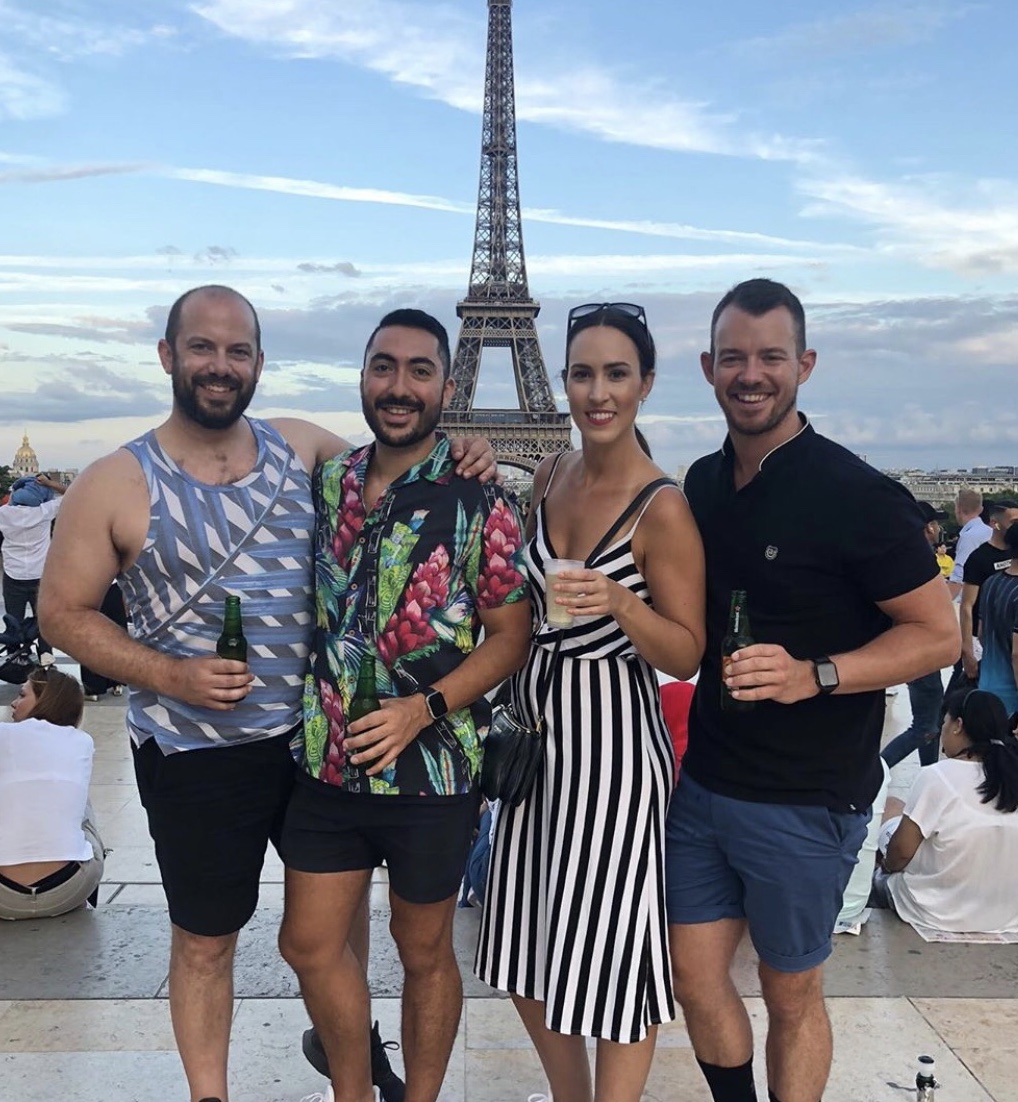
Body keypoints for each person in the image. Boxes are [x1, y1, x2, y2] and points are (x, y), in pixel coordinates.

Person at [37, 285, 496, 1102]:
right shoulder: (114, 481)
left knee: (332, 929)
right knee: (206, 940)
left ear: (258, 362)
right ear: (168, 355)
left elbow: (399, 465)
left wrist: (470, 450)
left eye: (237, 351)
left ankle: (349, 1057)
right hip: (199, 754)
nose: (220, 366)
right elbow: (61, 613)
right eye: (202, 348)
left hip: (317, 746)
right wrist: (171, 674)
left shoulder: (300, 447)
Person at [667, 278, 959, 1102]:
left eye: (770, 356)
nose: (750, 374)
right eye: (733, 357)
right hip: (706, 782)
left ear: (805, 364)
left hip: (806, 794)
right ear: (708, 368)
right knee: (695, 979)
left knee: (791, 993)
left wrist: (815, 674)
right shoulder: (703, 484)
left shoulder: (856, 495)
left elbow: (939, 634)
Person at [277, 308, 532, 1102]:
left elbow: (511, 635)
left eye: (419, 370)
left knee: (423, 952)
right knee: (308, 944)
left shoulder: (481, 500)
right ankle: (355, 1090)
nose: (399, 386)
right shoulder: (327, 484)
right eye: (383, 366)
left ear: (447, 388)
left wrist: (425, 708)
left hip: (434, 772)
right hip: (328, 763)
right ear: (362, 377)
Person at [476, 302, 706, 1102]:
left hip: (611, 749)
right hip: (535, 732)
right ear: (563, 382)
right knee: (524, 943)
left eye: (616, 374)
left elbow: (687, 651)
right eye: (582, 374)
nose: (596, 393)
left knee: (610, 958)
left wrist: (621, 603)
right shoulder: (548, 474)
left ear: (645, 382)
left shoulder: (662, 507)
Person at [873, 688, 1018, 935]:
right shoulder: (1011, 774)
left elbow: (900, 853)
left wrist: (885, 866)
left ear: (958, 725)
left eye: (944, 723)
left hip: (937, 912)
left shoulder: (937, 777)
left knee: (889, 807)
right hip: (1005, 916)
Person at [0, 663, 105, 920]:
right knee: (80, 807)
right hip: (69, 889)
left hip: (4, 897)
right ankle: (85, 902)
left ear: (46, 700)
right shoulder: (82, 741)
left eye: (22, 695)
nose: (13, 703)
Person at [880, 501, 950, 768]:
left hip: (912, 647)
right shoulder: (920, 562)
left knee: (929, 724)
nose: (937, 528)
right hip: (922, 649)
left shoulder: (895, 557)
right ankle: (880, 771)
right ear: (927, 528)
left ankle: (928, 773)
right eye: (935, 523)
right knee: (925, 726)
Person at [0, 472, 67, 660]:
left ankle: (16, 655)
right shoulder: (44, 511)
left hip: (13, 575)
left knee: (14, 620)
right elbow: (74, 493)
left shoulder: (4, 514)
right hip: (40, 575)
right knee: (43, 619)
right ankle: (45, 654)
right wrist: (49, 484)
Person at [959, 500, 1018, 685]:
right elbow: (967, 605)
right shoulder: (979, 558)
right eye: (1014, 522)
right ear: (995, 523)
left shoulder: (1014, 555)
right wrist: (967, 649)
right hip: (985, 639)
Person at [976, 521, 1018, 715]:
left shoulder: (990, 583)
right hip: (1012, 694)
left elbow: (982, 634)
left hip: (987, 685)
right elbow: (1017, 654)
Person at [947, 487, 991, 599]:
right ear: (980, 509)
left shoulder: (968, 537)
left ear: (958, 509)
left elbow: (958, 577)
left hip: (968, 598)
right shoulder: (990, 532)